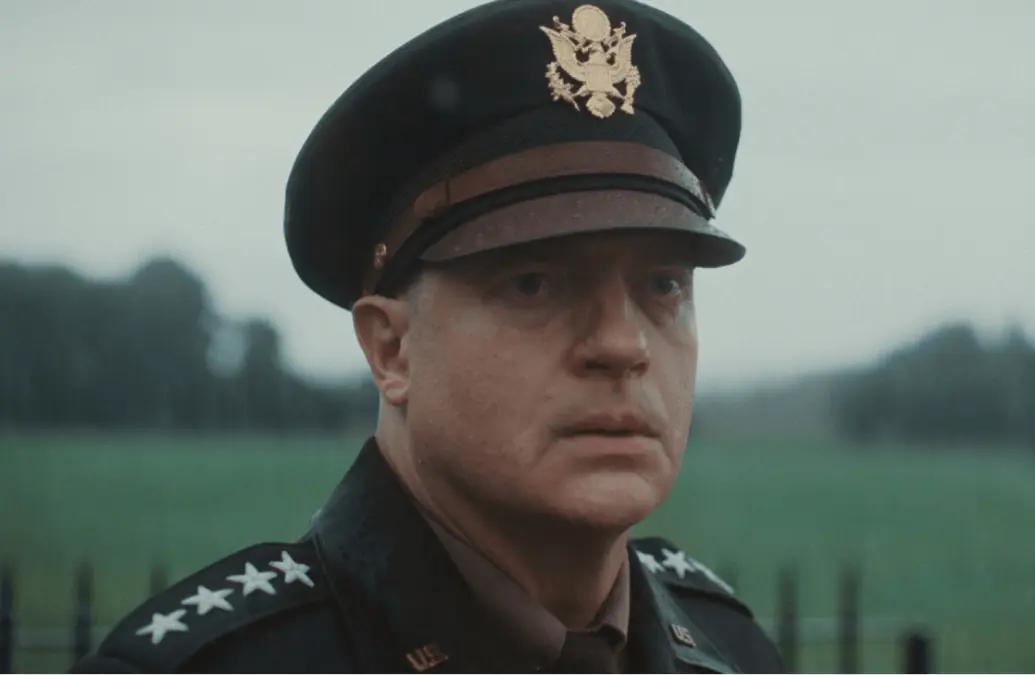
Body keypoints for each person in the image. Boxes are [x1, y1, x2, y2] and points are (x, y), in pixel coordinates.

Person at [72, 0, 782, 672]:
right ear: (391, 348)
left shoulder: (736, 651)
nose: (623, 346)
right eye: (533, 284)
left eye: (663, 285)